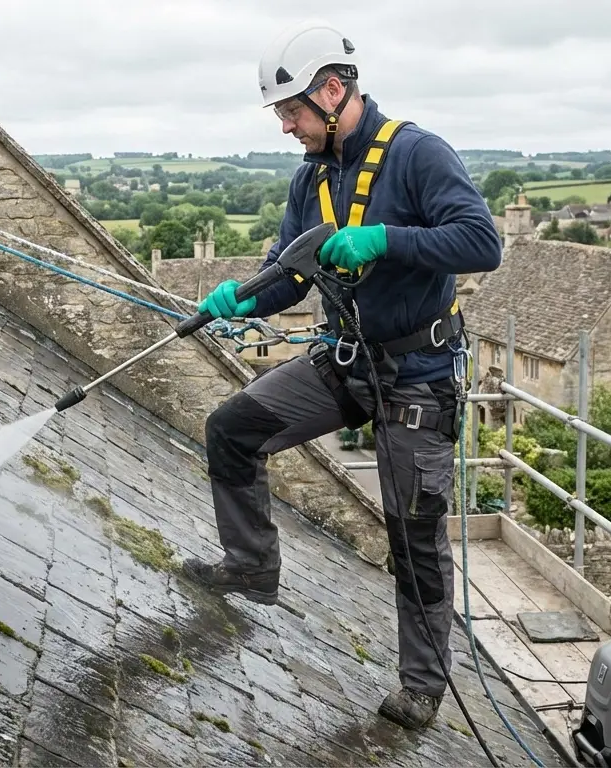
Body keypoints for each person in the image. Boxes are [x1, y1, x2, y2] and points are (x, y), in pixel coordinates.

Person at [180, 20, 502, 731]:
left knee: (413, 532)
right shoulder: (311, 180)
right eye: (283, 115)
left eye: (292, 111)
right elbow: (289, 278)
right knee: (232, 430)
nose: (287, 127)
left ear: (333, 90)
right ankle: (251, 566)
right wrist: (242, 294)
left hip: (418, 377)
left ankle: (421, 686)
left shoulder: (418, 155)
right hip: (346, 363)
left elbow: (483, 243)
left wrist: (387, 238)